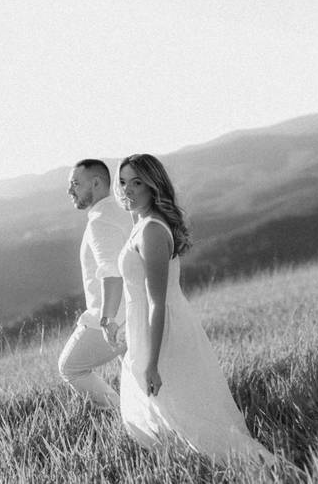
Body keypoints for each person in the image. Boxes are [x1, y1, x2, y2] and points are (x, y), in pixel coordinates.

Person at [115, 153, 275, 464]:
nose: (127, 190)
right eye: (123, 182)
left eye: (137, 183)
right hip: (145, 328)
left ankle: (258, 466)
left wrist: (152, 362)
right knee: (165, 411)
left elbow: (157, 302)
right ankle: (199, 466)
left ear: (153, 186)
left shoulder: (151, 230)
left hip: (163, 332)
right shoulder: (141, 224)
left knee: (186, 412)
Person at [58, 159, 132, 409]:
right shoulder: (122, 212)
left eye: (75, 184)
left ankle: (120, 415)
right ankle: (143, 419)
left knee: (70, 367)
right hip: (132, 310)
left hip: (113, 316)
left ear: (97, 183)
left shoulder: (100, 221)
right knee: (135, 375)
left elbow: (112, 272)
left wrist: (107, 319)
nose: (70, 190)